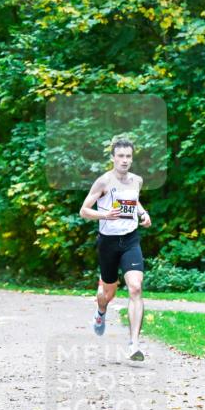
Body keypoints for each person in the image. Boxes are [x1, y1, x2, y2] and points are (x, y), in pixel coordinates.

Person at [79, 138, 152, 361]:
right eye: (120, 156)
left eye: (128, 156)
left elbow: (134, 201)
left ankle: (134, 344)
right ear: (113, 158)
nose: (124, 160)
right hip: (108, 243)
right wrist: (104, 215)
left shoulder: (136, 181)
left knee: (136, 288)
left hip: (130, 240)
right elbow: (84, 210)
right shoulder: (103, 182)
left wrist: (143, 213)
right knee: (107, 294)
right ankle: (101, 312)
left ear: (132, 158)